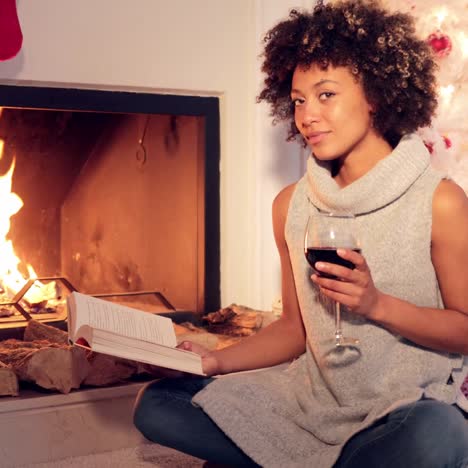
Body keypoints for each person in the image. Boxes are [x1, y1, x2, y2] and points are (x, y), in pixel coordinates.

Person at [133, 1, 468, 466]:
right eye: (298, 100)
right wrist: (211, 362)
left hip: (403, 404)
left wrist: (376, 305)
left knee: (439, 434)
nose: (307, 115)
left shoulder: (440, 201)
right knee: (157, 405)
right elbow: (295, 330)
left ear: (376, 94)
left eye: (326, 94)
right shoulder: (291, 206)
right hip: (309, 402)